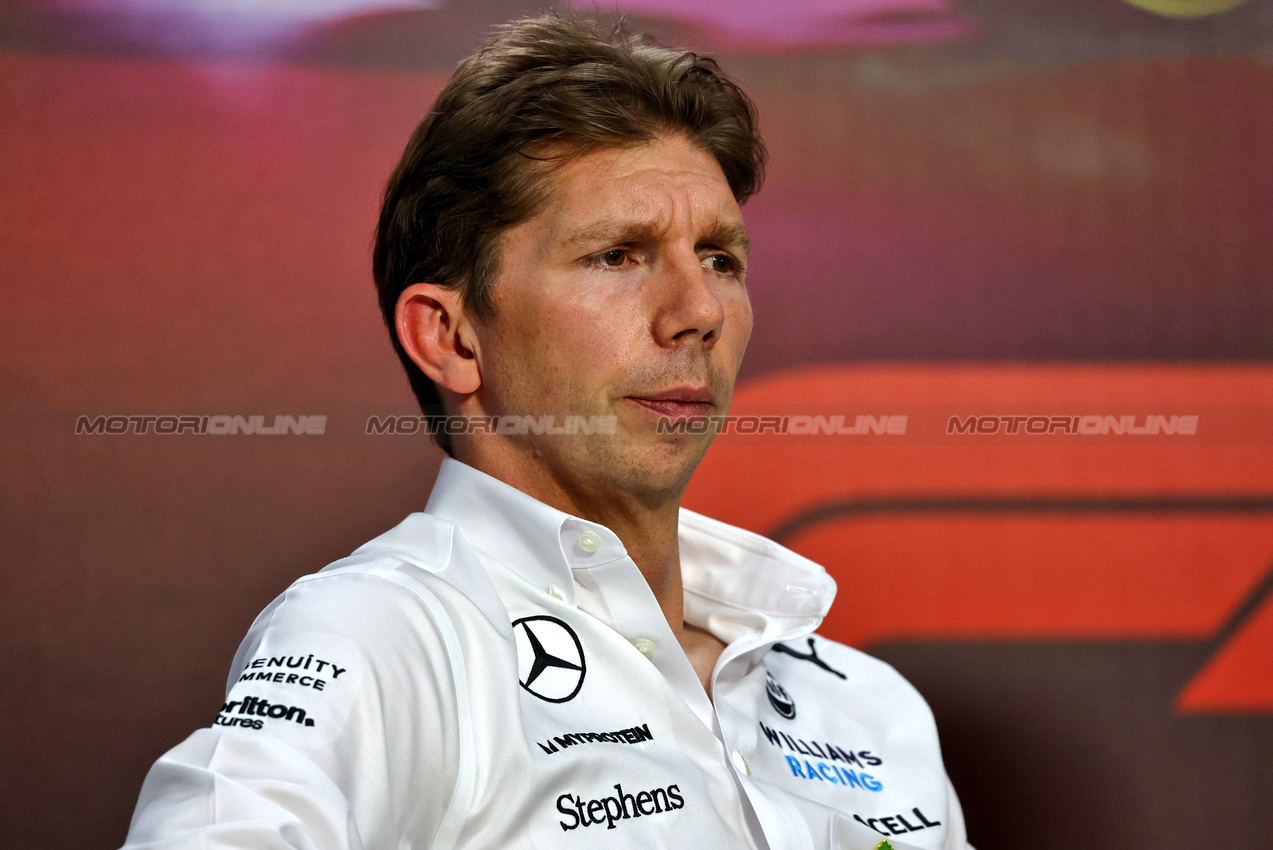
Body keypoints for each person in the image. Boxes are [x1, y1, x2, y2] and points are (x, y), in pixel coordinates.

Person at [122, 14, 971, 850]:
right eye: (617, 255)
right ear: (450, 339)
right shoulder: (384, 635)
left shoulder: (867, 702)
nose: (699, 312)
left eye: (719, 258)